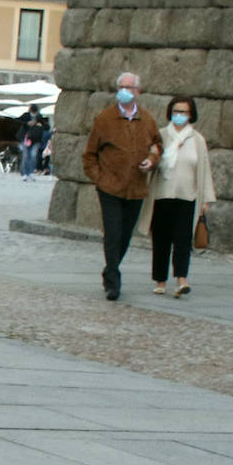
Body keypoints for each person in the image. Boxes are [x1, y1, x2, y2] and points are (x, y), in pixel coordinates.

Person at [82, 70, 162, 301]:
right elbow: (90, 154)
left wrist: (152, 159)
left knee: (126, 234)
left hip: (136, 187)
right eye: (121, 88)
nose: (125, 92)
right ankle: (113, 281)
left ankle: (110, 269)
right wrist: (99, 178)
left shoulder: (146, 119)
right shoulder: (104, 119)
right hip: (110, 187)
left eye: (130, 88)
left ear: (138, 91)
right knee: (113, 231)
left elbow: (157, 145)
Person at [139, 95, 216, 297]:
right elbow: (152, 157)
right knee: (161, 239)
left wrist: (206, 199)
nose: (179, 115)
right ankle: (160, 280)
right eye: (176, 111)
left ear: (191, 115)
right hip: (162, 195)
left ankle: (182, 278)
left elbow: (204, 169)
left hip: (187, 196)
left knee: (183, 239)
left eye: (183, 112)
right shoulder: (162, 135)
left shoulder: (197, 140)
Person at [18, 104, 49, 181]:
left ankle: (30, 172)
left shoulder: (39, 117)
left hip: (36, 139)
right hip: (26, 138)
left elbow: (47, 127)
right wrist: (27, 123)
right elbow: (18, 121)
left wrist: (40, 124)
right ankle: (24, 173)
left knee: (33, 155)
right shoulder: (26, 115)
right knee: (26, 156)